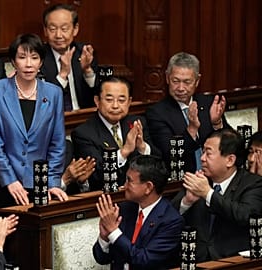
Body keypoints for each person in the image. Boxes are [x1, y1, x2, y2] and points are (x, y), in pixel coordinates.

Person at [0, 33, 68, 215]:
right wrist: (10, 180)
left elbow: (57, 144)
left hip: (38, 183)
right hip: (1, 183)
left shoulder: (53, 93)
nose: (28, 64)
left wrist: (51, 183)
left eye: (34, 57)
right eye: (22, 57)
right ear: (13, 62)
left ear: (41, 62)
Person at [172, 128, 262, 262]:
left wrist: (208, 194)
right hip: (197, 261)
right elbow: (167, 217)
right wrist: (186, 202)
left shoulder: (253, 183)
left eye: (208, 153)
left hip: (234, 262)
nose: (202, 159)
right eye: (203, 152)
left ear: (230, 160)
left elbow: (246, 215)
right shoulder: (198, 181)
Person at [93, 155, 184, 269]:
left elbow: (144, 260)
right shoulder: (124, 210)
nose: (124, 186)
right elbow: (101, 259)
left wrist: (113, 231)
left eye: (129, 181)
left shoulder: (171, 221)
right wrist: (105, 237)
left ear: (148, 187)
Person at [146, 52, 229, 174]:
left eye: (187, 82)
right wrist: (192, 129)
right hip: (182, 182)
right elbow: (169, 155)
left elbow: (230, 144)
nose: (180, 88)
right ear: (167, 78)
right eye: (175, 81)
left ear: (197, 80)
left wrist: (217, 123)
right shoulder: (157, 113)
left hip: (214, 177)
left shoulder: (209, 104)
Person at [72, 76, 158, 190]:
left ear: (129, 102)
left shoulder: (137, 123)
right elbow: (96, 175)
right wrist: (124, 151)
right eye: (109, 100)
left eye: (122, 100)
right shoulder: (83, 133)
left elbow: (158, 162)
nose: (115, 106)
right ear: (97, 101)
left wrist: (142, 147)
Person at [41, 3, 99, 111]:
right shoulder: (38, 57)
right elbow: (43, 99)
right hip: (51, 121)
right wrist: (62, 75)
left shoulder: (84, 53)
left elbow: (98, 93)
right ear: (45, 30)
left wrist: (87, 70)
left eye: (64, 29)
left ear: (75, 29)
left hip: (82, 118)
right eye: (52, 29)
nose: (58, 35)